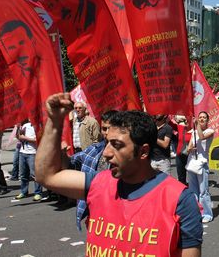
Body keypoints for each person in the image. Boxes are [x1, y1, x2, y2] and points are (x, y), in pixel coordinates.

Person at [36, 93, 203, 256]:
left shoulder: (180, 200)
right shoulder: (97, 183)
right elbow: (47, 175)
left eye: (116, 145)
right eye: (107, 142)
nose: (106, 153)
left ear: (143, 151)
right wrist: (54, 121)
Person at [68, 110, 117, 230]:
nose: (106, 133)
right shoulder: (93, 150)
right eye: (104, 129)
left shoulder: (128, 154)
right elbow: (68, 163)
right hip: (95, 211)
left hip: (117, 210)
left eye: (109, 129)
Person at [186, 111, 215, 223]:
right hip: (192, 163)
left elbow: (202, 137)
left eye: (204, 118)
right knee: (193, 190)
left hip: (202, 164)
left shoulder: (210, 131)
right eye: (200, 117)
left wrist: (197, 124)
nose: (202, 119)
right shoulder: (193, 132)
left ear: (208, 120)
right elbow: (189, 148)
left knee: (203, 191)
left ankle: (207, 214)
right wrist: (189, 149)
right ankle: (196, 212)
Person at [16, 119, 43, 201]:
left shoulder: (38, 126)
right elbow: (19, 137)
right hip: (22, 152)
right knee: (23, 174)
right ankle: (23, 192)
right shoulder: (25, 125)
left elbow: (37, 140)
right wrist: (18, 128)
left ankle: (38, 193)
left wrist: (25, 138)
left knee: (34, 174)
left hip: (33, 153)